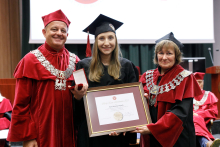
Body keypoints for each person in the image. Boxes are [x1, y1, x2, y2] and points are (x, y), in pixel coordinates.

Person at [6, 10, 85, 147]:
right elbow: (21, 103)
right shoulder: (30, 60)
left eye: (63, 30)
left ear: (67, 34)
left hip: (69, 130)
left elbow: (81, 98)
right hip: (41, 131)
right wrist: (28, 137)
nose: (59, 33)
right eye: (54, 29)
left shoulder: (76, 60)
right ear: (44, 32)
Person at [71, 14, 139, 147]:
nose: (106, 43)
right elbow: (77, 107)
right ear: (96, 41)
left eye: (110, 38)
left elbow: (133, 104)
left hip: (118, 133)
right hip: (91, 134)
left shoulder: (127, 66)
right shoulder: (83, 66)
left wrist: (122, 126)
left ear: (116, 40)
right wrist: (78, 96)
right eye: (101, 38)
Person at [133, 32, 203, 147]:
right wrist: (143, 101)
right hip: (150, 136)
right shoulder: (147, 76)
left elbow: (181, 112)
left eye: (169, 53)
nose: (164, 57)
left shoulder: (186, 77)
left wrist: (154, 129)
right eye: (161, 53)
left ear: (176, 56)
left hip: (176, 138)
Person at [193, 72, 220, 147]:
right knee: (194, 119)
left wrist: (198, 114)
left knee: (196, 118)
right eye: (196, 82)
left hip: (204, 121)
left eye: (200, 82)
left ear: (203, 83)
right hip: (190, 122)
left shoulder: (210, 95)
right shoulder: (188, 96)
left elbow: (214, 112)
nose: (198, 84)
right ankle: (207, 143)